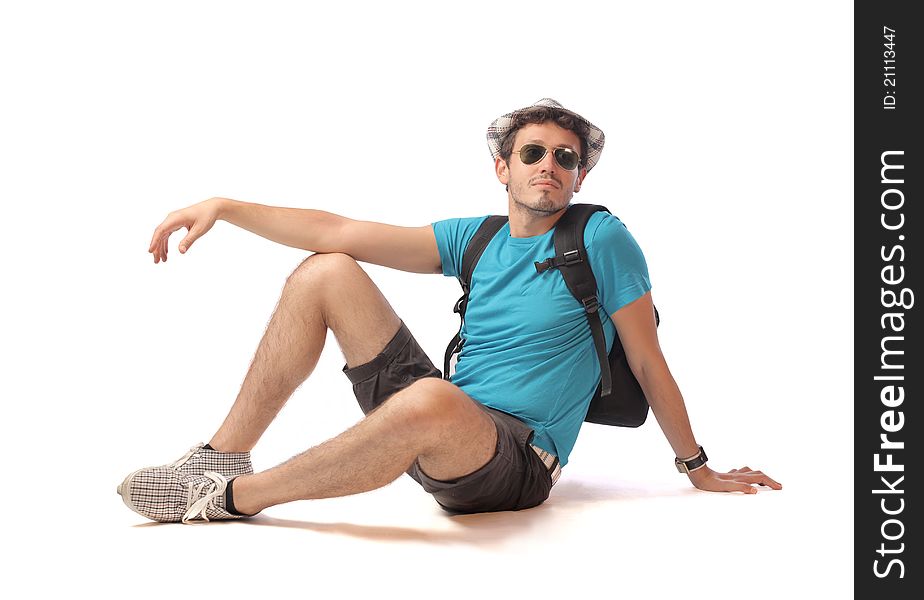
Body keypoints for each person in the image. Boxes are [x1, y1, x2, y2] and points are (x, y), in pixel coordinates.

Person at [118, 98, 781, 524]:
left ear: (580, 178)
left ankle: (227, 501)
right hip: (435, 423)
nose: (548, 165)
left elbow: (647, 357)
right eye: (533, 153)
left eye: (565, 158)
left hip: (513, 462)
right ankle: (222, 457)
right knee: (327, 271)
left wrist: (697, 468)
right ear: (504, 167)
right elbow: (340, 229)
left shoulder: (602, 239)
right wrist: (226, 207)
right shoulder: (479, 238)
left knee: (432, 400)